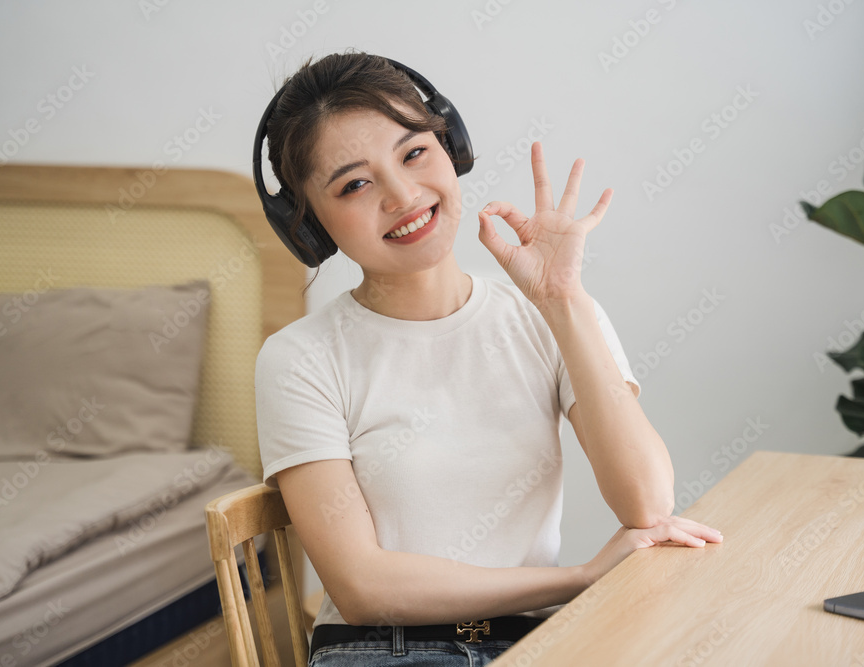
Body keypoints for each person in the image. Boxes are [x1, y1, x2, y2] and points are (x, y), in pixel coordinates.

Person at [253, 51, 722, 667]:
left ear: (453, 150)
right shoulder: (300, 359)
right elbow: (363, 589)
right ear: (308, 225)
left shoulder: (549, 312)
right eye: (355, 184)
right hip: (381, 651)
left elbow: (647, 505)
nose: (402, 194)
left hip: (535, 643)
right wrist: (578, 579)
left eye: (415, 152)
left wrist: (564, 303)